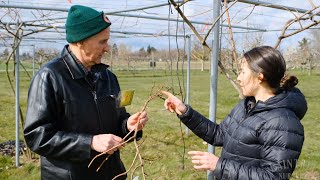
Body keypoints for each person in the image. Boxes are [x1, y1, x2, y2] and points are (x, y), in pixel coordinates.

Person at [24, 5, 148, 180]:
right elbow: (37, 136)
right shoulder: (49, 77)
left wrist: (128, 125)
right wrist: (89, 142)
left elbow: (119, 119)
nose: (107, 48)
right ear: (80, 41)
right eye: (102, 42)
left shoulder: (109, 78)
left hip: (111, 174)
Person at [162, 46, 307, 179]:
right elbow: (219, 135)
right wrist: (185, 111)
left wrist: (219, 165)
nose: (238, 77)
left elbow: (274, 177)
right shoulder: (247, 105)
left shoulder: (283, 123)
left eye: (243, 72)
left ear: (260, 77)